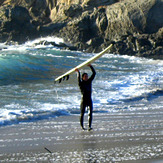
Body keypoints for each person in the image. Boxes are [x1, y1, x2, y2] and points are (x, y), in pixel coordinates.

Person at [75, 64, 96, 131]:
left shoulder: (89, 81)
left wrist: (90, 66)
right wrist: (78, 72)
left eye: (87, 76)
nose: (86, 77)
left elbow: (94, 73)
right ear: (82, 78)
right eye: (85, 76)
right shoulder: (81, 84)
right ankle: (82, 126)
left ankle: (89, 126)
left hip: (89, 100)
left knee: (90, 113)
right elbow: (78, 79)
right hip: (83, 100)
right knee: (82, 114)